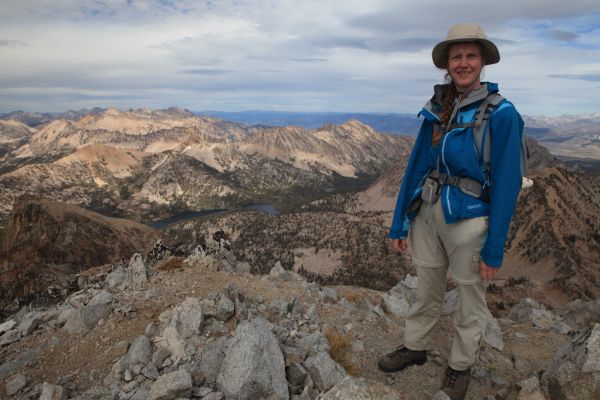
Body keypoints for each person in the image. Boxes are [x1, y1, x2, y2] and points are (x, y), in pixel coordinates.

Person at [378, 23, 524, 400]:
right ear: (447, 63)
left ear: (482, 62)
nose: (463, 63)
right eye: (456, 56)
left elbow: (507, 184)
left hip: (470, 220)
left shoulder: (502, 114)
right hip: (427, 211)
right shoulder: (439, 108)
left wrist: (494, 248)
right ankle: (416, 345)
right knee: (426, 287)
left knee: (470, 297)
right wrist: (400, 222)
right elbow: (416, 166)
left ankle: (460, 367)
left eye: (470, 55)